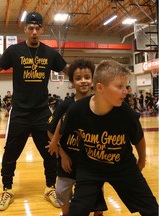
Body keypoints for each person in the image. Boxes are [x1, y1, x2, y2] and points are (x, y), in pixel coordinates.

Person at [0, 11, 67, 211]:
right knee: (10, 155)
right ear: (25, 29)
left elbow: (72, 71)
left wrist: (94, 84)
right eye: (30, 28)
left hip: (42, 112)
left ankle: (50, 187)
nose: (34, 32)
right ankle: (7, 189)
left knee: (51, 152)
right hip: (20, 113)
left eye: (37, 28)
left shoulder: (50, 53)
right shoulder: (14, 51)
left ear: (42, 30)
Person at [58, 60, 158, 215]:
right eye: (120, 87)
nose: (126, 91)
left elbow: (138, 139)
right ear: (100, 88)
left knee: (152, 210)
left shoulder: (126, 114)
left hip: (122, 167)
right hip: (90, 168)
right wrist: (62, 153)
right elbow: (61, 131)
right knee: (77, 211)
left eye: (126, 86)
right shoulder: (77, 110)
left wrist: (142, 161)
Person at [47, 59, 106, 216]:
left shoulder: (101, 103)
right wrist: (62, 152)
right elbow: (50, 130)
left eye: (87, 77)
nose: (83, 81)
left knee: (96, 200)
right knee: (61, 192)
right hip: (68, 162)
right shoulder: (65, 105)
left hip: (92, 163)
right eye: (78, 78)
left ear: (93, 79)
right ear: (72, 81)